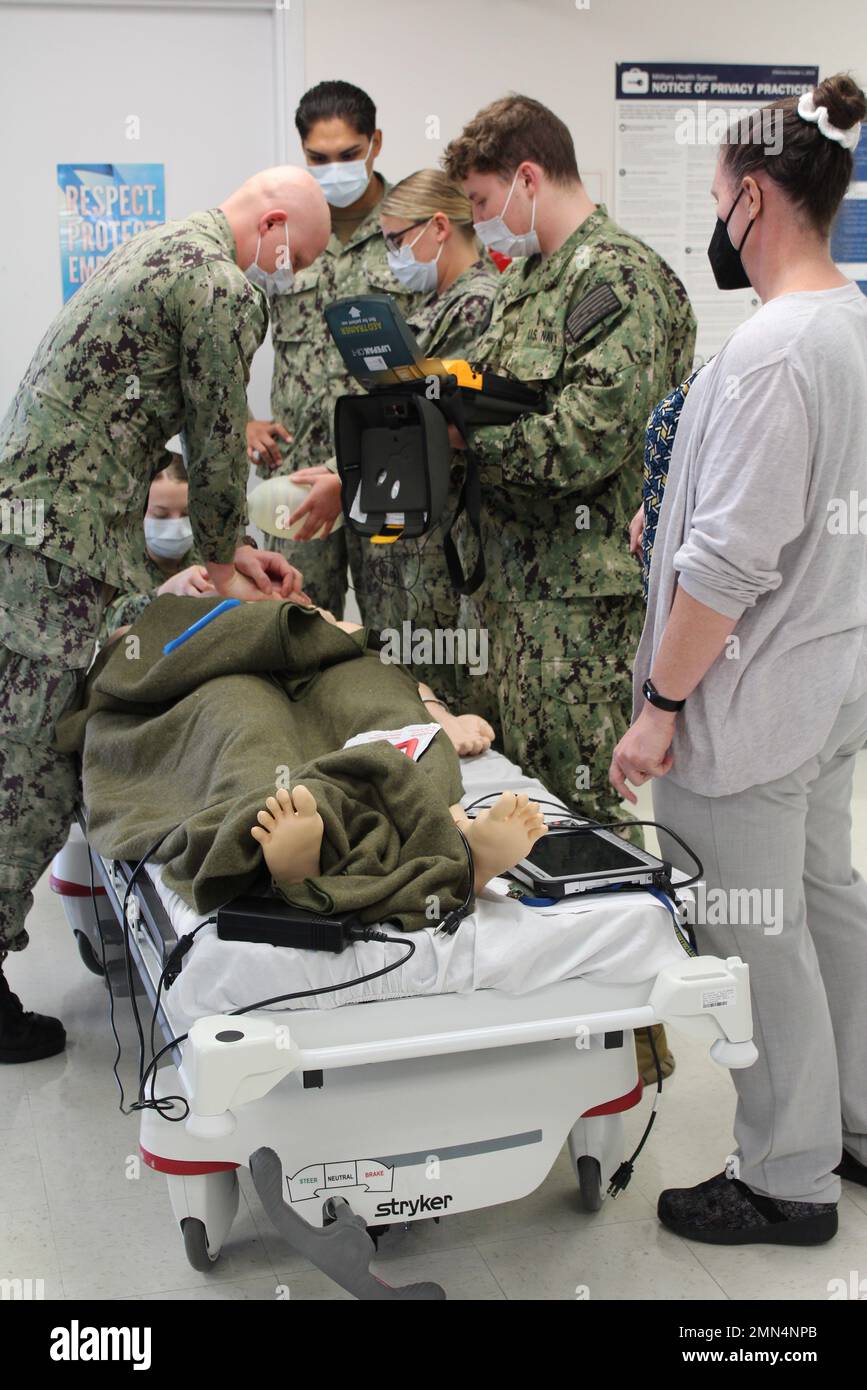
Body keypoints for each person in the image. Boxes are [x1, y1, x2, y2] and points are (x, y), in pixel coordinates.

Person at [610, 73, 867, 1243]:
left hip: (751, 703)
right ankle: (853, 1120)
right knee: (825, 904)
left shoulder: (771, 351)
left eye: (717, 201)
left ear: (753, 199)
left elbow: (725, 568)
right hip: (829, 687)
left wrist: (661, 704)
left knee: (759, 933)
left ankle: (785, 1175)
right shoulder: (851, 323)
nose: (713, 225)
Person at [0, 164, 330, 1062]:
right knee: (29, 759)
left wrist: (225, 556)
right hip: (59, 548)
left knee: (28, 742)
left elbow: (185, 424)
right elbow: (219, 435)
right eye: (292, 258)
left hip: (46, 532)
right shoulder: (219, 281)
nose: (285, 279)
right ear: (268, 224)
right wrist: (225, 567)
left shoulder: (157, 249)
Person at [440, 95, 697, 831]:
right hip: (508, 598)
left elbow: (586, 441)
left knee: (575, 822)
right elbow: (491, 394)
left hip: (577, 613)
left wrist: (461, 440)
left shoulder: (618, 280)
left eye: (484, 202)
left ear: (528, 177)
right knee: (508, 813)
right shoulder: (526, 281)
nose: (481, 221)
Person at [289, 169, 499, 695]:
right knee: (401, 694)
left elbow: (442, 425)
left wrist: (347, 482)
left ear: (437, 227)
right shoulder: (432, 305)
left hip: (436, 545)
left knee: (435, 701)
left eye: (396, 240)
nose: (390, 255)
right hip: (404, 538)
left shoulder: (476, 304)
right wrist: (347, 468)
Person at [252, 81, 424, 622]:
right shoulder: (280, 231)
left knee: (400, 633)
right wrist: (240, 418)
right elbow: (226, 326)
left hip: (388, 462)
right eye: (317, 158)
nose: (334, 168)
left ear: (375, 143)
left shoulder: (415, 227)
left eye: (349, 154)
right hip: (299, 473)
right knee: (294, 625)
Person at [99, 449, 215, 642]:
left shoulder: (207, 553)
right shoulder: (117, 558)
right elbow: (115, 625)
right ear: (137, 513)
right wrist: (164, 593)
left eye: (186, 514)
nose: (176, 525)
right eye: (161, 515)